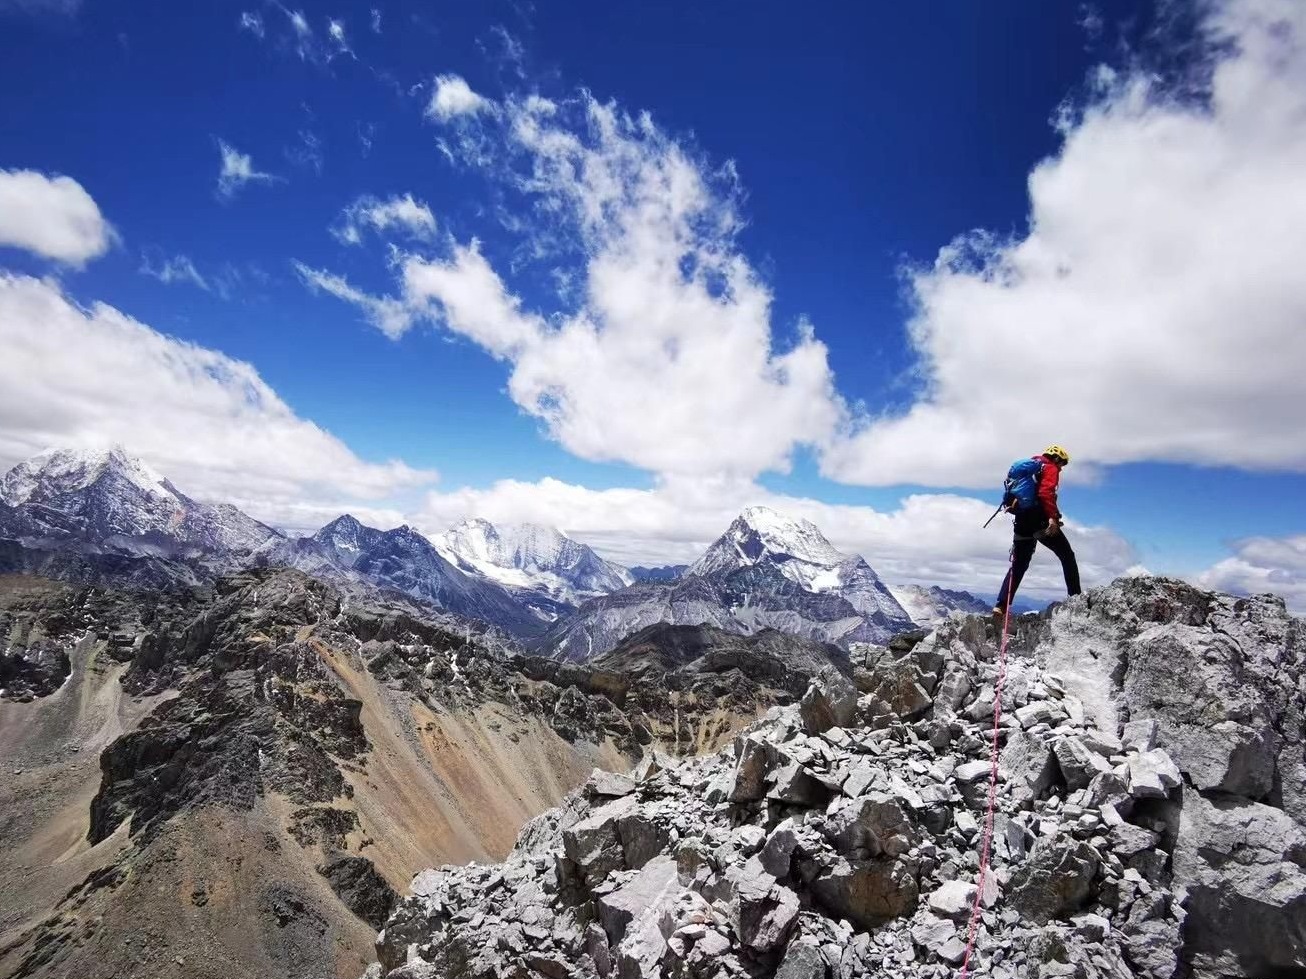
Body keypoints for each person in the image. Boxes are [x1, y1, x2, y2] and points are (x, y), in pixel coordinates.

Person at [993, 444, 1081, 616]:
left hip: (1021, 520)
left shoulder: (1028, 468)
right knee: (1067, 555)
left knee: (1018, 565)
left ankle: (1001, 605)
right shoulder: (1049, 467)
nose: (1061, 468)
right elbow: (1045, 493)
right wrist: (1053, 518)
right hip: (1038, 519)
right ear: (1057, 458)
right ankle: (1075, 597)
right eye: (1062, 464)